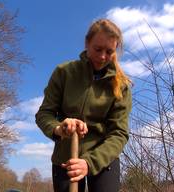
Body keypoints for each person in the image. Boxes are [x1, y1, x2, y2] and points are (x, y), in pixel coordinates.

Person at [35, 18, 132, 192]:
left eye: (109, 51)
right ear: (87, 43)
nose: (103, 56)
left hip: (103, 159)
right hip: (66, 158)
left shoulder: (121, 86)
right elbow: (44, 114)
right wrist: (59, 128)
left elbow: (120, 133)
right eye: (98, 49)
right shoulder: (64, 72)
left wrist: (89, 163)